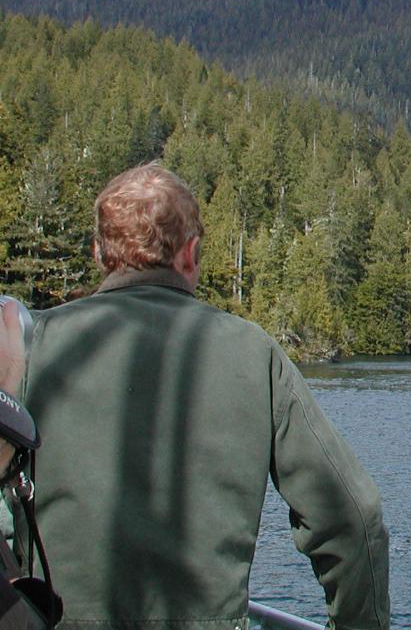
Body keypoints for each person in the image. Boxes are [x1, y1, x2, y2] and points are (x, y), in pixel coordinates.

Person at [13, 163, 390, 629]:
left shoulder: (29, 347)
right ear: (190, 255)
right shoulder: (255, 355)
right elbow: (354, 516)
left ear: (98, 252)